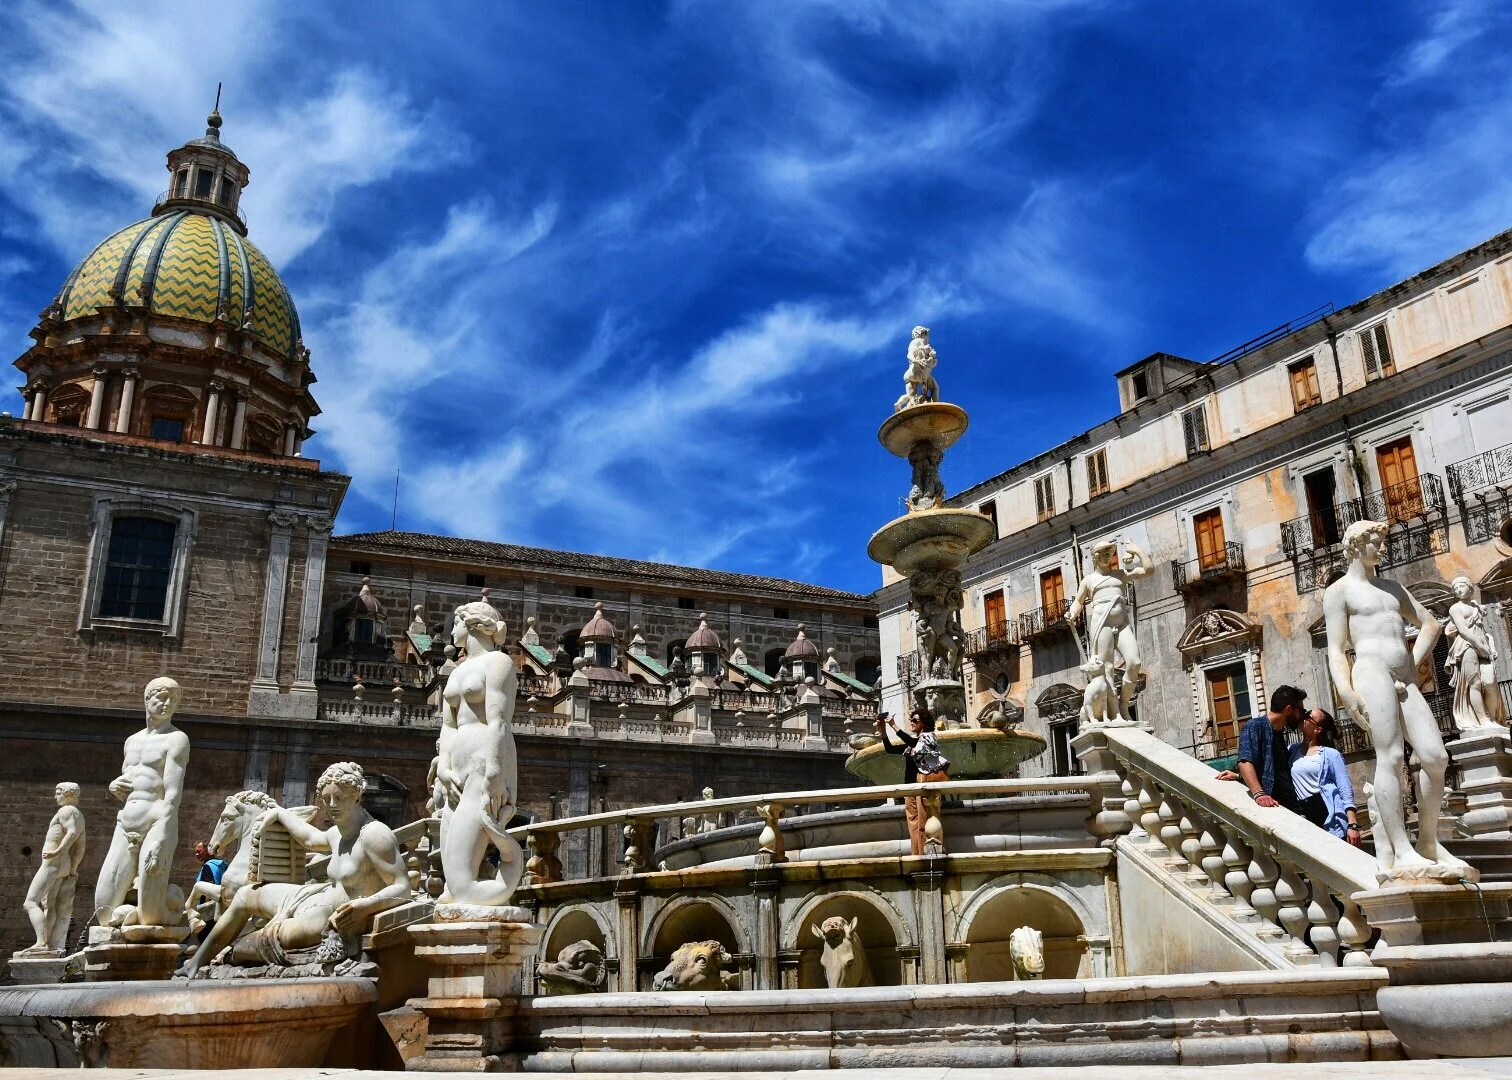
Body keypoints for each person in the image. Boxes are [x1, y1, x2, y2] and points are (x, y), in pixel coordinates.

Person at [1324, 520, 1470, 879]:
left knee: (1436, 757)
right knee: (1388, 756)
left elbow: (1431, 625)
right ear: (1357, 546)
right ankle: (1401, 850)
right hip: (1370, 671)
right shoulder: (1340, 591)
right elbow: (1335, 648)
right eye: (1377, 542)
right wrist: (1345, 691)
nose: (1384, 548)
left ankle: (1429, 843)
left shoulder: (1393, 588)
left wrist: (1410, 664)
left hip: (1402, 678)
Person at [176, 761, 411, 978]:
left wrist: (364, 905)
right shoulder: (337, 833)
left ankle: (228, 956)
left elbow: (402, 888)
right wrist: (280, 812)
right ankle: (195, 963)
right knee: (245, 894)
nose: (331, 806)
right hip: (313, 897)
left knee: (251, 945)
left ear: (356, 796)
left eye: (339, 798)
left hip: (327, 919)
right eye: (326, 798)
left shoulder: (374, 835)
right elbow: (310, 838)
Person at [94, 677, 191, 928]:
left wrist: (162, 836)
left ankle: (175, 907)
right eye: (162, 697)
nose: (168, 703)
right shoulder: (132, 741)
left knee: (149, 917)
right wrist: (114, 786)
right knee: (104, 910)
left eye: (174, 700)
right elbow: (129, 783)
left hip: (157, 821)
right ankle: (131, 910)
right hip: (126, 821)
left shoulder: (176, 739)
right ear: (147, 699)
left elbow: (172, 794)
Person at [1066, 539, 1153, 722]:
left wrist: (1137, 550)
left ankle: (1123, 705)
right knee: (1107, 669)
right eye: (1104, 554)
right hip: (1101, 624)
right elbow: (1078, 602)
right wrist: (1072, 613)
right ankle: (1114, 713)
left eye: (1110, 553)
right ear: (1095, 556)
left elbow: (1148, 570)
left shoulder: (1120, 575)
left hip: (1122, 624)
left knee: (1134, 662)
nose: (1108, 557)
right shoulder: (1089, 581)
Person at [19, 782, 86, 955]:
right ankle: (48, 944)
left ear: (68, 794)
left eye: (58, 793)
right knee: (49, 904)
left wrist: (57, 850)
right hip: (62, 864)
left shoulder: (66, 811)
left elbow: (71, 833)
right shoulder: (79, 815)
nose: (55, 796)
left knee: (30, 902)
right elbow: (81, 847)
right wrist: (73, 868)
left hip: (52, 863)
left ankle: (41, 942)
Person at [877, 709, 950, 855]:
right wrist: (883, 730)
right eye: (911, 720)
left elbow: (913, 742)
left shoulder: (929, 738)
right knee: (913, 822)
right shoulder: (914, 742)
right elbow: (890, 749)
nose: (911, 722)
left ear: (923, 722)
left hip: (922, 784)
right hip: (910, 787)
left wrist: (893, 725)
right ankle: (916, 854)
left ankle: (927, 853)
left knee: (923, 820)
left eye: (915, 720)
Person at [1288, 709, 1361, 845]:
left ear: (1317, 730)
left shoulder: (1330, 754)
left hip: (1327, 811)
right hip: (1304, 812)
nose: (1304, 717)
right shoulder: (1292, 750)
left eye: (1309, 716)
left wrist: (1352, 825)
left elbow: (1345, 789)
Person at [1235, 685, 1307, 810]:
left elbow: (1272, 770)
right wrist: (1259, 794)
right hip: (1272, 805)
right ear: (1289, 709)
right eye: (1301, 711)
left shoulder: (1278, 732)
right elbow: (1245, 762)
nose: (1302, 716)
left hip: (1290, 806)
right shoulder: (1255, 726)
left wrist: (1238, 777)